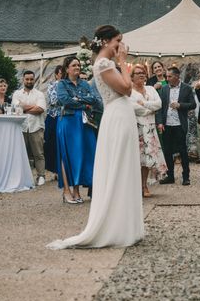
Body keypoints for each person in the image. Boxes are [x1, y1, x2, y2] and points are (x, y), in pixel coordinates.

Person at [47, 25, 144, 249]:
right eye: (118, 41)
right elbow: (127, 89)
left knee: (125, 167)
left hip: (121, 115)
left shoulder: (104, 63)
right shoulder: (103, 63)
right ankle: (116, 227)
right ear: (107, 42)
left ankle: (127, 225)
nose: (121, 45)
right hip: (117, 117)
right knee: (119, 168)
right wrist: (123, 61)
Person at [55, 57, 101, 204]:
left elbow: (94, 99)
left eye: (79, 65)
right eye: (74, 65)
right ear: (67, 68)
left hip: (84, 123)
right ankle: (66, 190)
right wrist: (83, 104)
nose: (77, 67)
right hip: (68, 122)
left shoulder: (85, 84)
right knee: (68, 155)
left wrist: (77, 99)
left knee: (83, 155)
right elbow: (64, 100)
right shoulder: (62, 84)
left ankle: (77, 190)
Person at [128, 64, 167, 196]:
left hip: (150, 128)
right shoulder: (129, 91)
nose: (141, 74)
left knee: (146, 160)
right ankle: (133, 187)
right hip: (136, 127)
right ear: (132, 77)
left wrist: (144, 104)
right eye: (138, 73)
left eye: (143, 72)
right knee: (135, 159)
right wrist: (149, 109)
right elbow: (133, 108)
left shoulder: (150, 89)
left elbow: (159, 104)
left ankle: (144, 186)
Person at [157, 67, 196, 186]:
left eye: (169, 76)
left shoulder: (187, 88)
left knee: (182, 151)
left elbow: (193, 104)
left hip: (180, 124)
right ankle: (170, 176)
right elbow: (160, 107)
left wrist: (180, 105)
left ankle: (186, 177)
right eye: (167, 76)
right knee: (167, 151)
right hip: (167, 124)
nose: (167, 79)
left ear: (177, 76)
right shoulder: (164, 89)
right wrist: (160, 122)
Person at [12, 71, 47, 186]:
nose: (29, 81)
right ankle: (22, 177)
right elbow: (15, 107)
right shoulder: (17, 93)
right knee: (21, 153)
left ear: (34, 79)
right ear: (23, 80)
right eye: (27, 79)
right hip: (21, 127)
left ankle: (41, 176)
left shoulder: (39, 94)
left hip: (36, 126)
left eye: (31, 79)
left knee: (39, 153)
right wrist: (33, 107)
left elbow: (40, 109)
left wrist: (23, 108)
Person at [44, 65, 63, 180]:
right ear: (56, 75)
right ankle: (54, 170)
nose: (62, 75)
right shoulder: (52, 85)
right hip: (53, 117)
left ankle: (62, 169)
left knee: (62, 143)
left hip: (64, 116)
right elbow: (54, 100)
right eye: (60, 73)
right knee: (52, 144)